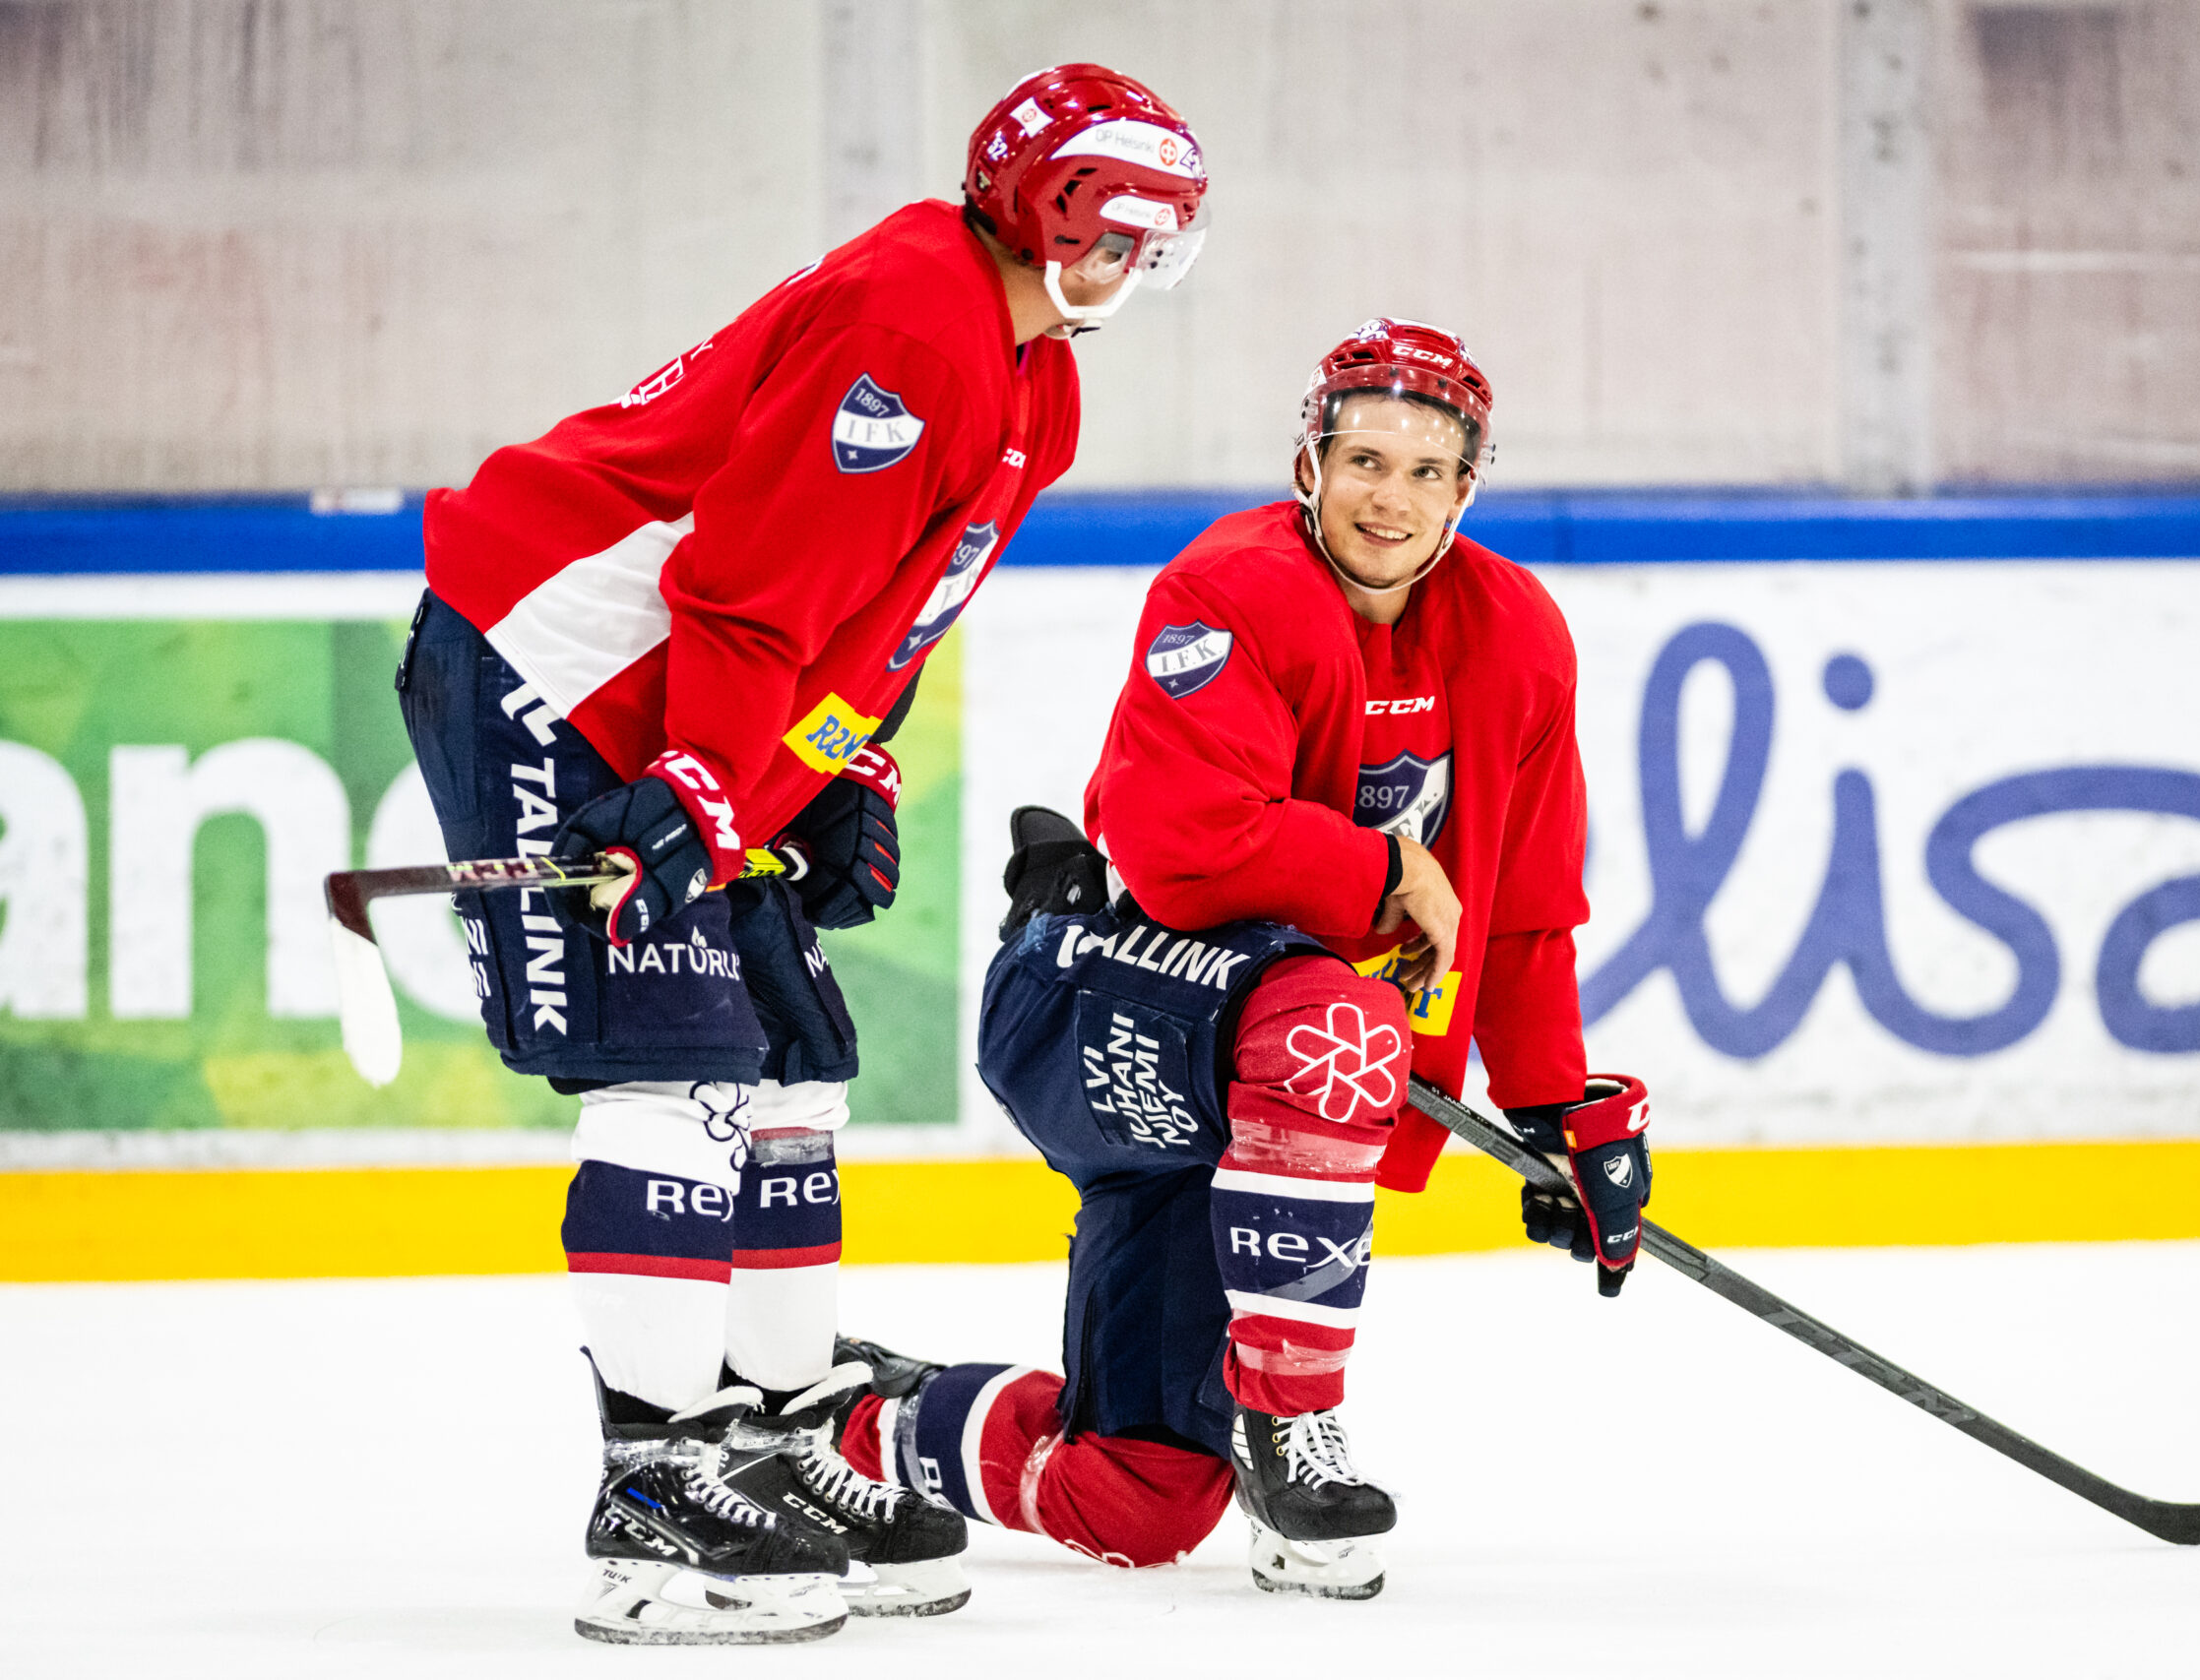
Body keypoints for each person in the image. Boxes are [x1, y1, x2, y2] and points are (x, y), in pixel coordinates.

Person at [394, 64, 1210, 1645]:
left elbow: (882, 617)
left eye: (1158, 240)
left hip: (692, 707)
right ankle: (654, 1481)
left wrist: (832, 766)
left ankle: (767, 1425)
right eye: (1111, 227)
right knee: (682, 1053)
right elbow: (745, 590)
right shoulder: (914, 322)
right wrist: (710, 781)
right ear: (1037, 204)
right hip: (554, 667)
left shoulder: (1037, 378)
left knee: (788, 1052)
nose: (1131, 265)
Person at [822, 319, 1655, 1598]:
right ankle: (1293, 1431)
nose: (1393, 496)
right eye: (1365, 460)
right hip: (1097, 1010)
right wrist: (1387, 872)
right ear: (1308, 463)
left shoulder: (1516, 637)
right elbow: (1175, 848)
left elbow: (1526, 910)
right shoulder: (1235, 586)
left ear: (1465, 491)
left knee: (1138, 1499)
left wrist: (1557, 1107)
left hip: (1268, 1088)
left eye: (1427, 472)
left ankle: (842, 1419)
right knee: (1336, 1021)